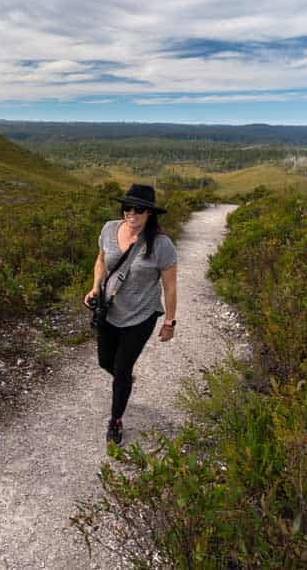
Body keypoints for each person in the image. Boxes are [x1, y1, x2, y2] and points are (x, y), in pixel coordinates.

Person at [84, 184, 177, 445]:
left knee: (122, 370)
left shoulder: (161, 244)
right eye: (127, 208)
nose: (132, 214)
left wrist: (169, 321)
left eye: (139, 209)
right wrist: (95, 287)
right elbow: (101, 260)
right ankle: (123, 378)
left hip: (141, 315)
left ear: (150, 213)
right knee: (106, 362)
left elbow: (170, 286)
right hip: (109, 310)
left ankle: (115, 420)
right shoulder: (109, 229)